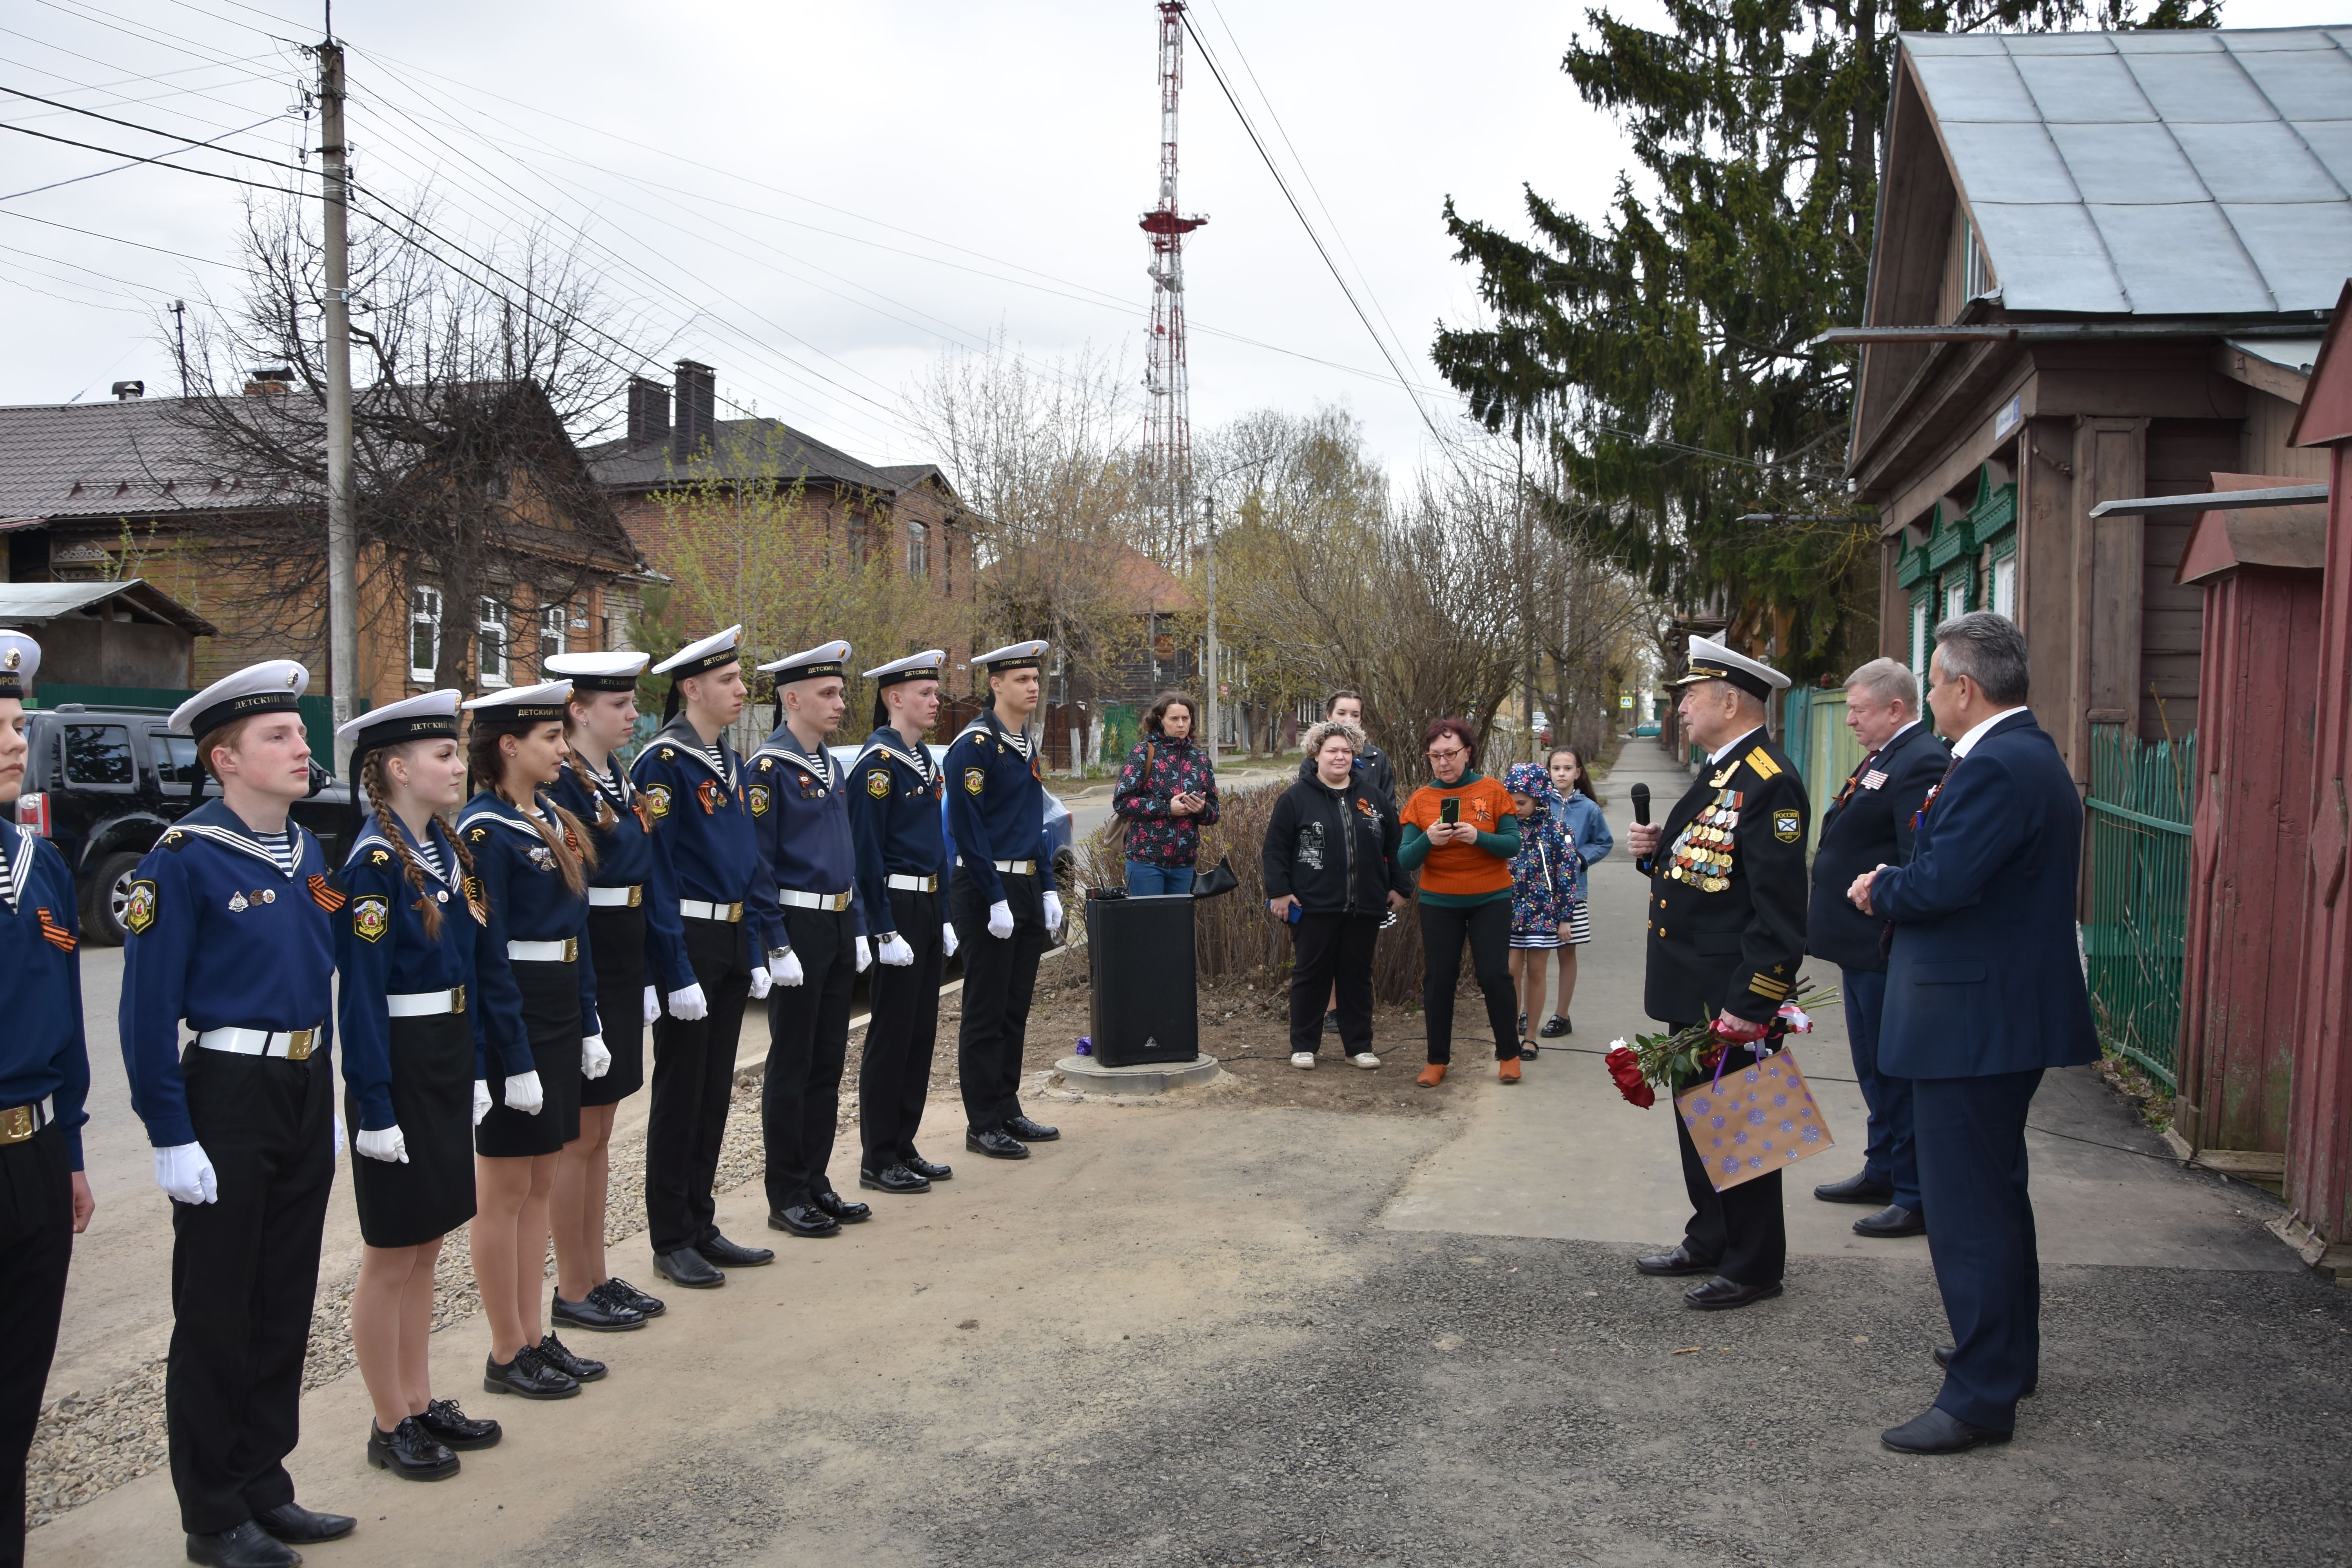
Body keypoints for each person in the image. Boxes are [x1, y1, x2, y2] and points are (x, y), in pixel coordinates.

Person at [119, 660, 355, 1568]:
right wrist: (170, 1132)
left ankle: (265, 1482)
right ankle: (212, 1513)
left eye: (299, 733)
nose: (302, 748)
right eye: (279, 737)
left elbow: (318, 971)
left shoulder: (310, 854)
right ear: (226, 758)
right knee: (219, 1309)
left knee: (283, 1298)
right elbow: (146, 1012)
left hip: (299, 1088)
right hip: (226, 1094)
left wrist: (325, 1089)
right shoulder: (182, 861)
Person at [1849, 612, 2096, 1454]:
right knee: (1994, 1196)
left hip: (1972, 1018)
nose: (1935, 693)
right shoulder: (2018, 755)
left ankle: (1981, 1396)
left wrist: (1882, 886)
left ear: (1964, 686)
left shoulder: (1999, 763)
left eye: (1938, 678)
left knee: (1967, 1211)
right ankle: (2005, 1356)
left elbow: (1944, 882)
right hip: (1988, 1014)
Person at [333, 691, 502, 1481]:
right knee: (391, 1252)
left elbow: (464, 968)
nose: (457, 764)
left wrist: (470, 1064)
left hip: (441, 1056)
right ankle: (387, 1419)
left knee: (429, 1241)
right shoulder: (371, 862)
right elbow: (361, 997)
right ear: (398, 768)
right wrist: (371, 1102)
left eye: (457, 750)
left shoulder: (445, 848)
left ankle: (420, 1396)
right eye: (443, 754)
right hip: (396, 1062)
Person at [1623, 636, 1809, 1312]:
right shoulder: (1720, 771)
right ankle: (1711, 1236)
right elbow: (1711, 875)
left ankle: (1756, 1263)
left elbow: (1778, 912)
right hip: (1694, 984)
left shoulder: (1769, 780)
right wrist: (1656, 855)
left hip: (1733, 991)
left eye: (1691, 699)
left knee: (1745, 1128)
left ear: (1729, 702)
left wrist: (1754, 1003)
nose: (1682, 712)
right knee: (1700, 1121)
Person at [459, 681, 609, 1401]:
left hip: (555, 1009)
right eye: (550, 738)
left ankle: (534, 1333)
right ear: (509, 747)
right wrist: (506, 1056)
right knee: (506, 1189)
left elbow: (575, 932)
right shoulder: (483, 833)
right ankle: (505, 1348)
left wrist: (589, 1022)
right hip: (513, 1014)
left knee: (543, 1180)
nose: (561, 748)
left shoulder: (545, 814)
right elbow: (489, 955)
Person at [546, 650, 695, 1331]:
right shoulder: (564, 787)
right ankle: (573, 1285)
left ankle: (597, 1273)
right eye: (619, 705)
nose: (634, 714)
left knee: (602, 1130)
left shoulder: (618, 780)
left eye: (633, 702)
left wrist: (661, 969)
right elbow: (572, 893)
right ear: (579, 710)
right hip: (592, 957)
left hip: (625, 953)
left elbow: (652, 872)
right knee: (579, 1133)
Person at [634, 627, 779, 1288]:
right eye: (729, 681)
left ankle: (700, 1220)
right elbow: (657, 872)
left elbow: (746, 864)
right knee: (681, 1090)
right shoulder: (662, 763)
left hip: (726, 936)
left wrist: (752, 947)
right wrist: (673, 967)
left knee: (715, 1090)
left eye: (740, 679)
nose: (742, 690)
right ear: (692, 688)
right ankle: (670, 1237)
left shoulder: (730, 760)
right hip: (688, 939)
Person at [0, 630, 95, 1568]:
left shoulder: (43, 866)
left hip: (31, 1153)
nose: (13, 739)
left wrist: (68, 1149)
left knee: (17, 1391)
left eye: (19, 720)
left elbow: (66, 1022)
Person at [1806, 656, 1947, 1242]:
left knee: (1894, 1072)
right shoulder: (1886, 756)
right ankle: (1883, 1168)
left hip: (1882, 947)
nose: (1850, 721)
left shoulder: (1920, 761)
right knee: (1871, 1069)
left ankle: (1914, 1193)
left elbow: (1914, 857)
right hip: (1859, 949)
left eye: (1859, 710)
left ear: (1896, 708)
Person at [749, 640, 871, 1240]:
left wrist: (864, 924)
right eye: (827, 694)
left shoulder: (831, 765)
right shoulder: (769, 770)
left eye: (841, 693)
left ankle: (816, 1179)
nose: (839, 703)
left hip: (838, 921)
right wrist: (772, 943)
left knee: (828, 1059)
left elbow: (846, 853)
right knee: (792, 1061)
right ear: (791, 699)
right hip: (797, 924)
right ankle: (786, 1191)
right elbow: (761, 865)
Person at [946, 639, 1063, 1160]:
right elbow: (968, 830)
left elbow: (1032, 824)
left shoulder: (1023, 745)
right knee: (985, 1009)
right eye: (1022, 680)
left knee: (1015, 1006)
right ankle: (982, 1123)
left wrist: (1048, 888)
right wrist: (994, 896)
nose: (1033, 687)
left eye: (1036, 679)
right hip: (984, 886)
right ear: (996, 684)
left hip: (1022, 886)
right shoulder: (973, 745)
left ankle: (1008, 1105)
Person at [849, 650, 958, 1195]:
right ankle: (877, 1155)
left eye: (936, 693)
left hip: (927, 905)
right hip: (895, 904)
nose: (936, 701)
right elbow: (866, 854)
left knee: (919, 1031)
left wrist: (944, 915)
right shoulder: (877, 764)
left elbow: (936, 843)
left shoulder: (923, 761)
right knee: (891, 1034)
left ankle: (904, 1142)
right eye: (926, 694)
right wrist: (881, 927)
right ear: (896, 699)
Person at [1263, 719, 1409, 1071]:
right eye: (1332, 751)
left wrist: (1400, 886)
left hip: (1366, 906)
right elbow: (1275, 850)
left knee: (1357, 977)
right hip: (1313, 906)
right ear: (1316, 755)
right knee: (1311, 975)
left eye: (1346, 751)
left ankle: (1359, 1046)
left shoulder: (1372, 797)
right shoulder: (1295, 798)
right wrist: (1280, 893)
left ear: (1355, 755)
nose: (1340, 757)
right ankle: (1304, 1046)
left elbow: (1396, 844)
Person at [1397, 719, 1522, 1087]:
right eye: (1435, 756)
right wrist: (1428, 841)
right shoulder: (1422, 800)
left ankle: (1509, 1055)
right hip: (1440, 901)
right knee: (1438, 979)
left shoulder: (1493, 790)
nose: (1443, 763)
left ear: (1468, 752)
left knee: (1494, 976)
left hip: (1491, 898)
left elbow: (1513, 845)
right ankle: (1437, 1060)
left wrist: (1478, 838)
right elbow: (1405, 860)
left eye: (1450, 754)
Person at [1299, 690, 1394, 1036]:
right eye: (1342, 712)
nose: (1348, 720)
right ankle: (1330, 1009)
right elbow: (1304, 811)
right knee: (1322, 948)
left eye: (1355, 714)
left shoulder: (1375, 758)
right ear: (1328, 715)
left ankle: (1355, 1017)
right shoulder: (1316, 756)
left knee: (1357, 951)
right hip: (1325, 872)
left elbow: (1388, 811)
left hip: (1366, 867)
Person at [1502, 762, 1579, 1062]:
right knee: (1509, 972)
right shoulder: (1504, 828)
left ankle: (1531, 1037)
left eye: (1521, 802)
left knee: (1536, 971)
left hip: (1542, 914)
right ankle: (1508, 1035)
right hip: (1507, 912)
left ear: (1538, 797)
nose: (1516, 808)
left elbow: (1567, 877)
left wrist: (1565, 917)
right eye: (1511, 801)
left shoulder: (1558, 831)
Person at [1534, 746, 1610, 1038]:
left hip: (1573, 894)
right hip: (1539, 892)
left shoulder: (1589, 808)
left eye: (1568, 768)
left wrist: (1581, 858)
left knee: (1567, 952)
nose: (1562, 774)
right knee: (1535, 952)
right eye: (1556, 768)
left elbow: (1603, 842)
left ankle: (1561, 1016)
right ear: (1549, 772)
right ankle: (1529, 1013)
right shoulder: (1540, 804)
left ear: (1578, 773)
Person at [1113, 691, 1220, 895]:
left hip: (1184, 864)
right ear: (1161, 720)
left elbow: (1214, 813)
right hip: (1146, 861)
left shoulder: (1200, 760)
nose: (1181, 724)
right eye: (1174, 719)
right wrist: (1167, 808)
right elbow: (1123, 803)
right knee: (1149, 926)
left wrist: (1202, 810)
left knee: (1177, 927)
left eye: (1186, 718)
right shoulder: (1143, 753)